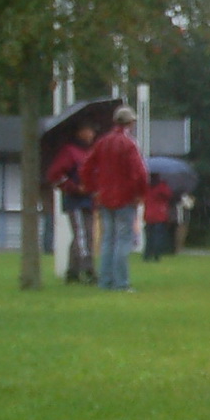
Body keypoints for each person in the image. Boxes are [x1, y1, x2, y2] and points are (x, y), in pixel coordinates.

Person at [81, 107, 148, 292]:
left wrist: (92, 188)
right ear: (130, 123)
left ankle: (105, 281)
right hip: (125, 198)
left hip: (104, 197)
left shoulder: (102, 142)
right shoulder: (129, 143)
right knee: (123, 240)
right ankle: (121, 282)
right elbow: (140, 173)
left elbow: (86, 166)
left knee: (107, 240)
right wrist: (140, 194)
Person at [46, 123, 97, 284]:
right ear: (79, 132)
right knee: (82, 235)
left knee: (86, 235)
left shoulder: (90, 152)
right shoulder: (69, 152)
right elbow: (55, 175)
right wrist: (74, 188)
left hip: (89, 199)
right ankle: (87, 269)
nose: (91, 133)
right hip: (75, 200)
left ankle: (73, 272)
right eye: (88, 129)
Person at [142, 174, 174, 261]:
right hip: (160, 214)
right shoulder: (162, 186)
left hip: (148, 214)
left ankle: (147, 254)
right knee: (158, 236)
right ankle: (157, 255)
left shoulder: (146, 186)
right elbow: (169, 195)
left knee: (149, 236)